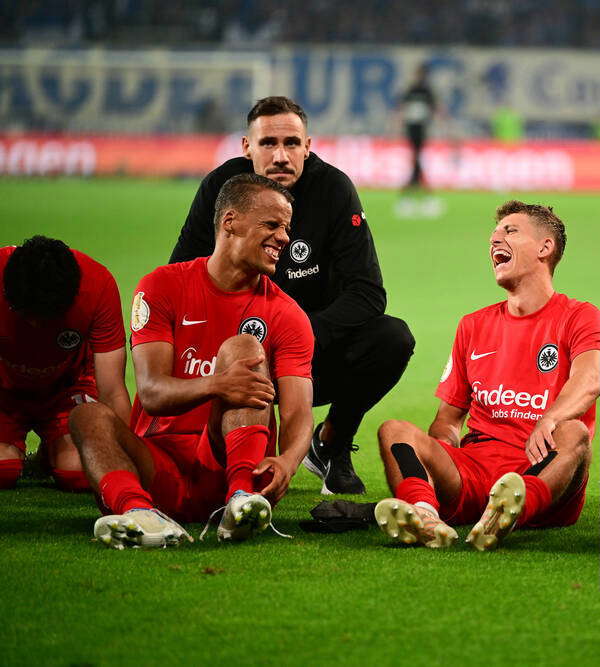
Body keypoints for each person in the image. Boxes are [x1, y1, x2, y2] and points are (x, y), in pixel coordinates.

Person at [169, 96, 414, 496]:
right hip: (231, 351)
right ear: (247, 148)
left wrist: (294, 338)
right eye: (268, 144)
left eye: (292, 144)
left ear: (308, 147)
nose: (281, 156)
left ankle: (331, 444)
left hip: (310, 353)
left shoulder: (333, 189)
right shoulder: (221, 189)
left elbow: (368, 293)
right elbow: (181, 279)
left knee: (392, 339)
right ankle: (199, 445)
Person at [70, 174, 315, 548]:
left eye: (286, 227)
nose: (284, 237)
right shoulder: (162, 286)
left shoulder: (287, 314)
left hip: (231, 463)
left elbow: (299, 412)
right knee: (85, 416)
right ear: (230, 222)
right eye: (272, 224)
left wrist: (289, 461)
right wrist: (218, 383)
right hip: (158, 463)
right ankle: (139, 513)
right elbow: (151, 393)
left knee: (244, 349)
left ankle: (239, 502)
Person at [373, 201, 600, 550]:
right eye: (494, 235)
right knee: (395, 431)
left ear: (546, 248)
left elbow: (590, 380)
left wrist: (550, 419)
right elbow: (449, 421)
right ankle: (424, 514)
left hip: (542, 468)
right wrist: (437, 460)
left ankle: (515, 507)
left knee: (574, 432)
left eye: (510, 231)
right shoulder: (473, 325)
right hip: (475, 470)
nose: (495, 240)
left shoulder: (580, 316)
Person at [0, 236, 129, 492]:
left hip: (67, 390)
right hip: (3, 392)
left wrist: (127, 456)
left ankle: (51, 451)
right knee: (2, 473)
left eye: (48, 317)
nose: (36, 326)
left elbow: (112, 389)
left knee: (82, 474)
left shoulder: (98, 285)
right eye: (27, 315)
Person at [399, 63, 437, 190]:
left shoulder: (426, 91)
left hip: (421, 125)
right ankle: (417, 179)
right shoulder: (412, 89)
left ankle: (415, 179)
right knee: (415, 152)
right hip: (412, 125)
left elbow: (434, 107)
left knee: (417, 152)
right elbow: (403, 106)